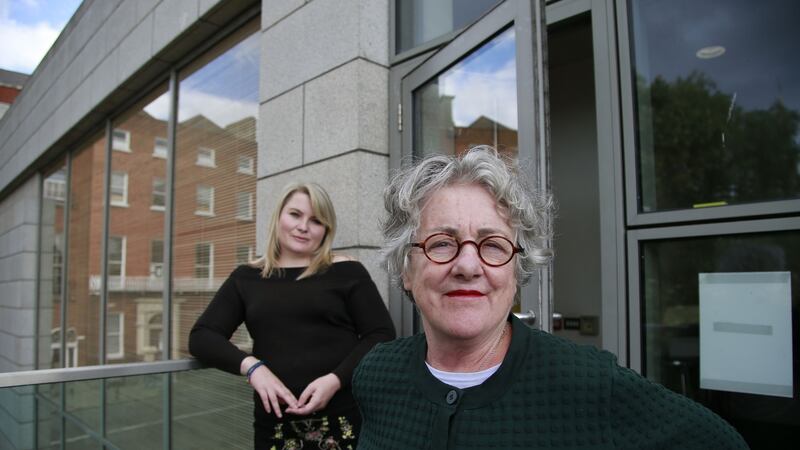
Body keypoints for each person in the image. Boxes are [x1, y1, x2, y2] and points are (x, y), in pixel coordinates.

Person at [352, 146, 748, 449]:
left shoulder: (588, 384)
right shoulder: (377, 373)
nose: (468, 265)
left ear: (516, 270)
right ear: (406, 268)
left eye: (493, 245)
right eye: (442, 243)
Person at [189, 182, 395, 450]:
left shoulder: (347, 271)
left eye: (316, 221)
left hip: (343, 418)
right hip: (274, 426)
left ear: (326, 230)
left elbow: (380, 334)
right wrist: (253, 368)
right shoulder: (247, 277)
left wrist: (335, 380)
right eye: (295, 214)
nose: (303, 226)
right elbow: (202, 337)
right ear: (279, 217)